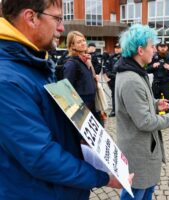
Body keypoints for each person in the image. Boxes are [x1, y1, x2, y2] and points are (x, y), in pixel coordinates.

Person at [0, 1, 131, 199]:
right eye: (58, 19)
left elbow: (52, 122)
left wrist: (89, 140)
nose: (62, 28)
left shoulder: (36, 62)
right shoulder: (7, 79)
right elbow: (41, 156)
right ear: (31, 17)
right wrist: (103, 178)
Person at [114, 24, 169, 200]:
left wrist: (156, 104)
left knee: (146, 191)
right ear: (140, 50)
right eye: (151, 46)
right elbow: (145, 122)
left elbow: (137, 104)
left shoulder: (135, 72)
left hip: (144, 150)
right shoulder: (131, 79)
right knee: (135, 193)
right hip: (139, 152)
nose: (154, 50)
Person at [63, 31, 105, 127]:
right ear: (72, 46)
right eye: (79, 42)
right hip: (82, 112)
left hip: (93, 108)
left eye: (83, 40)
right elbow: (67, 93)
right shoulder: (71, 64)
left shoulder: (86, 61)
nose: (83, 43)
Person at [103, 43, 122, 117]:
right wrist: (108, 76)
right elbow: (106, 68)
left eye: (118, 48)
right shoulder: (111, 57)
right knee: (114, 95)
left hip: (121, 80)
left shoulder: (125, 57)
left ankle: (122, 111)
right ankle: (114, 110)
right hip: (113, 80)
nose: (117, 49)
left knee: (122, 95)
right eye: (116, 48)